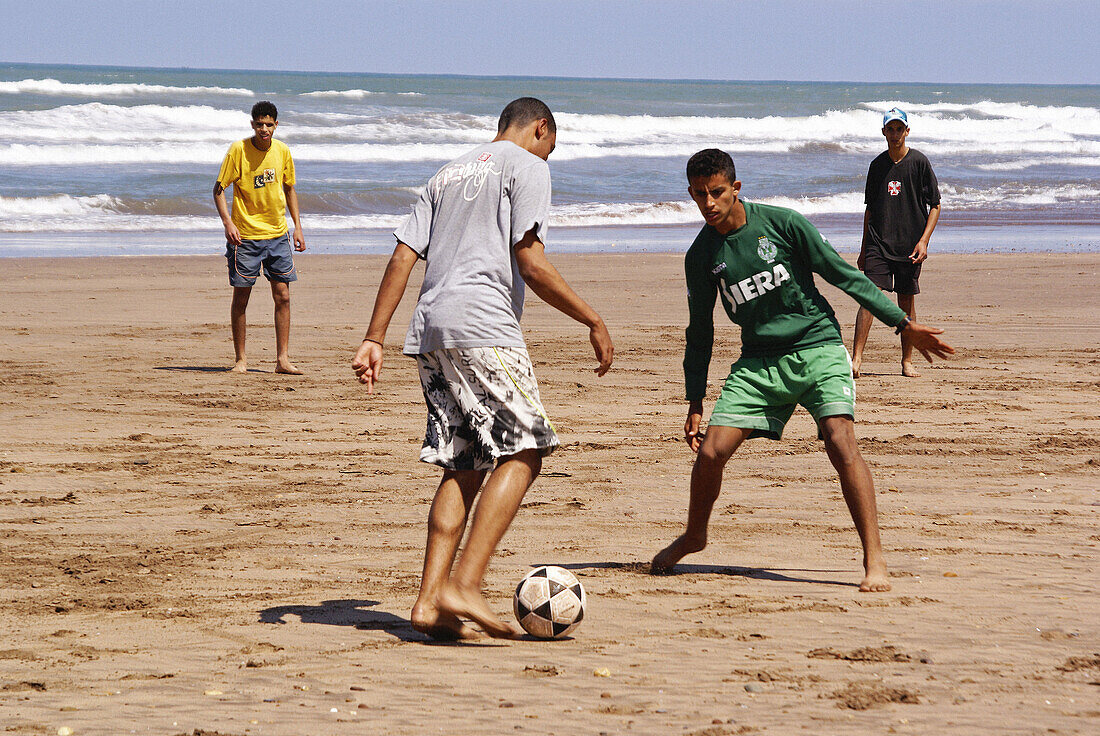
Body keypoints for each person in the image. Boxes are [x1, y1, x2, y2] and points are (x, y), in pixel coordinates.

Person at [351, 98, 614, 639]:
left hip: (431, 328)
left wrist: (374, 336)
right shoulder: (528, 167)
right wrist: (592, 318)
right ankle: (465, 582)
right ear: (542, 129)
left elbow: (403, 256)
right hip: (483, 325)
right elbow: (531, 261)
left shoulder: (444, 174)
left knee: (463, 463)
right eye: (552, 145)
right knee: (527, 449)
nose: (549, 155)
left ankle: (431, 603)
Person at [651, 149, 953, 592]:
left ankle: (875, 559)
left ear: (735, 188)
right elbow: (700, 330)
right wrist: (694, 399)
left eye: (717, 192)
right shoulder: (701, 255)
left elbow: (842, 275)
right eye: (699, 196)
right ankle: (696, 535)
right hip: (758, 362)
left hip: (818, 346)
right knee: (711, 452)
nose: (709, 203)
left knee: (839, 439)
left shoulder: (783, 224)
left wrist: (902, 324)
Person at [214, 100, 306, 375]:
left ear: (276, 125)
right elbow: (218, 189)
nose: (264, 129)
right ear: (252, 124)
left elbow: (289, 190)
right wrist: (228, 223)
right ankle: (241, 359)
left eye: (269, 124)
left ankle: (282, 360)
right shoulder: (238, 150)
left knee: (283, 297)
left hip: (278, 235)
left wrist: (298, 227)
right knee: (242, 297)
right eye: (259, 124)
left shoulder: (282, 151)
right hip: (245, 238)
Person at [852, 107, 941, 378]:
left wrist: (924, 241)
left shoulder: (919, 162)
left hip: (909, 244)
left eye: (899, 128)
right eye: (890, 129)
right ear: (883, 132)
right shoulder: (876, 166)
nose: (894, 134)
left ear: (907, 131)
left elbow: (935, 205)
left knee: (905, 301)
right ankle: (855, 360)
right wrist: (864, 248)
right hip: (879, 241)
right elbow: (869, 210)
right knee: (869, 295)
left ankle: (906, 361)